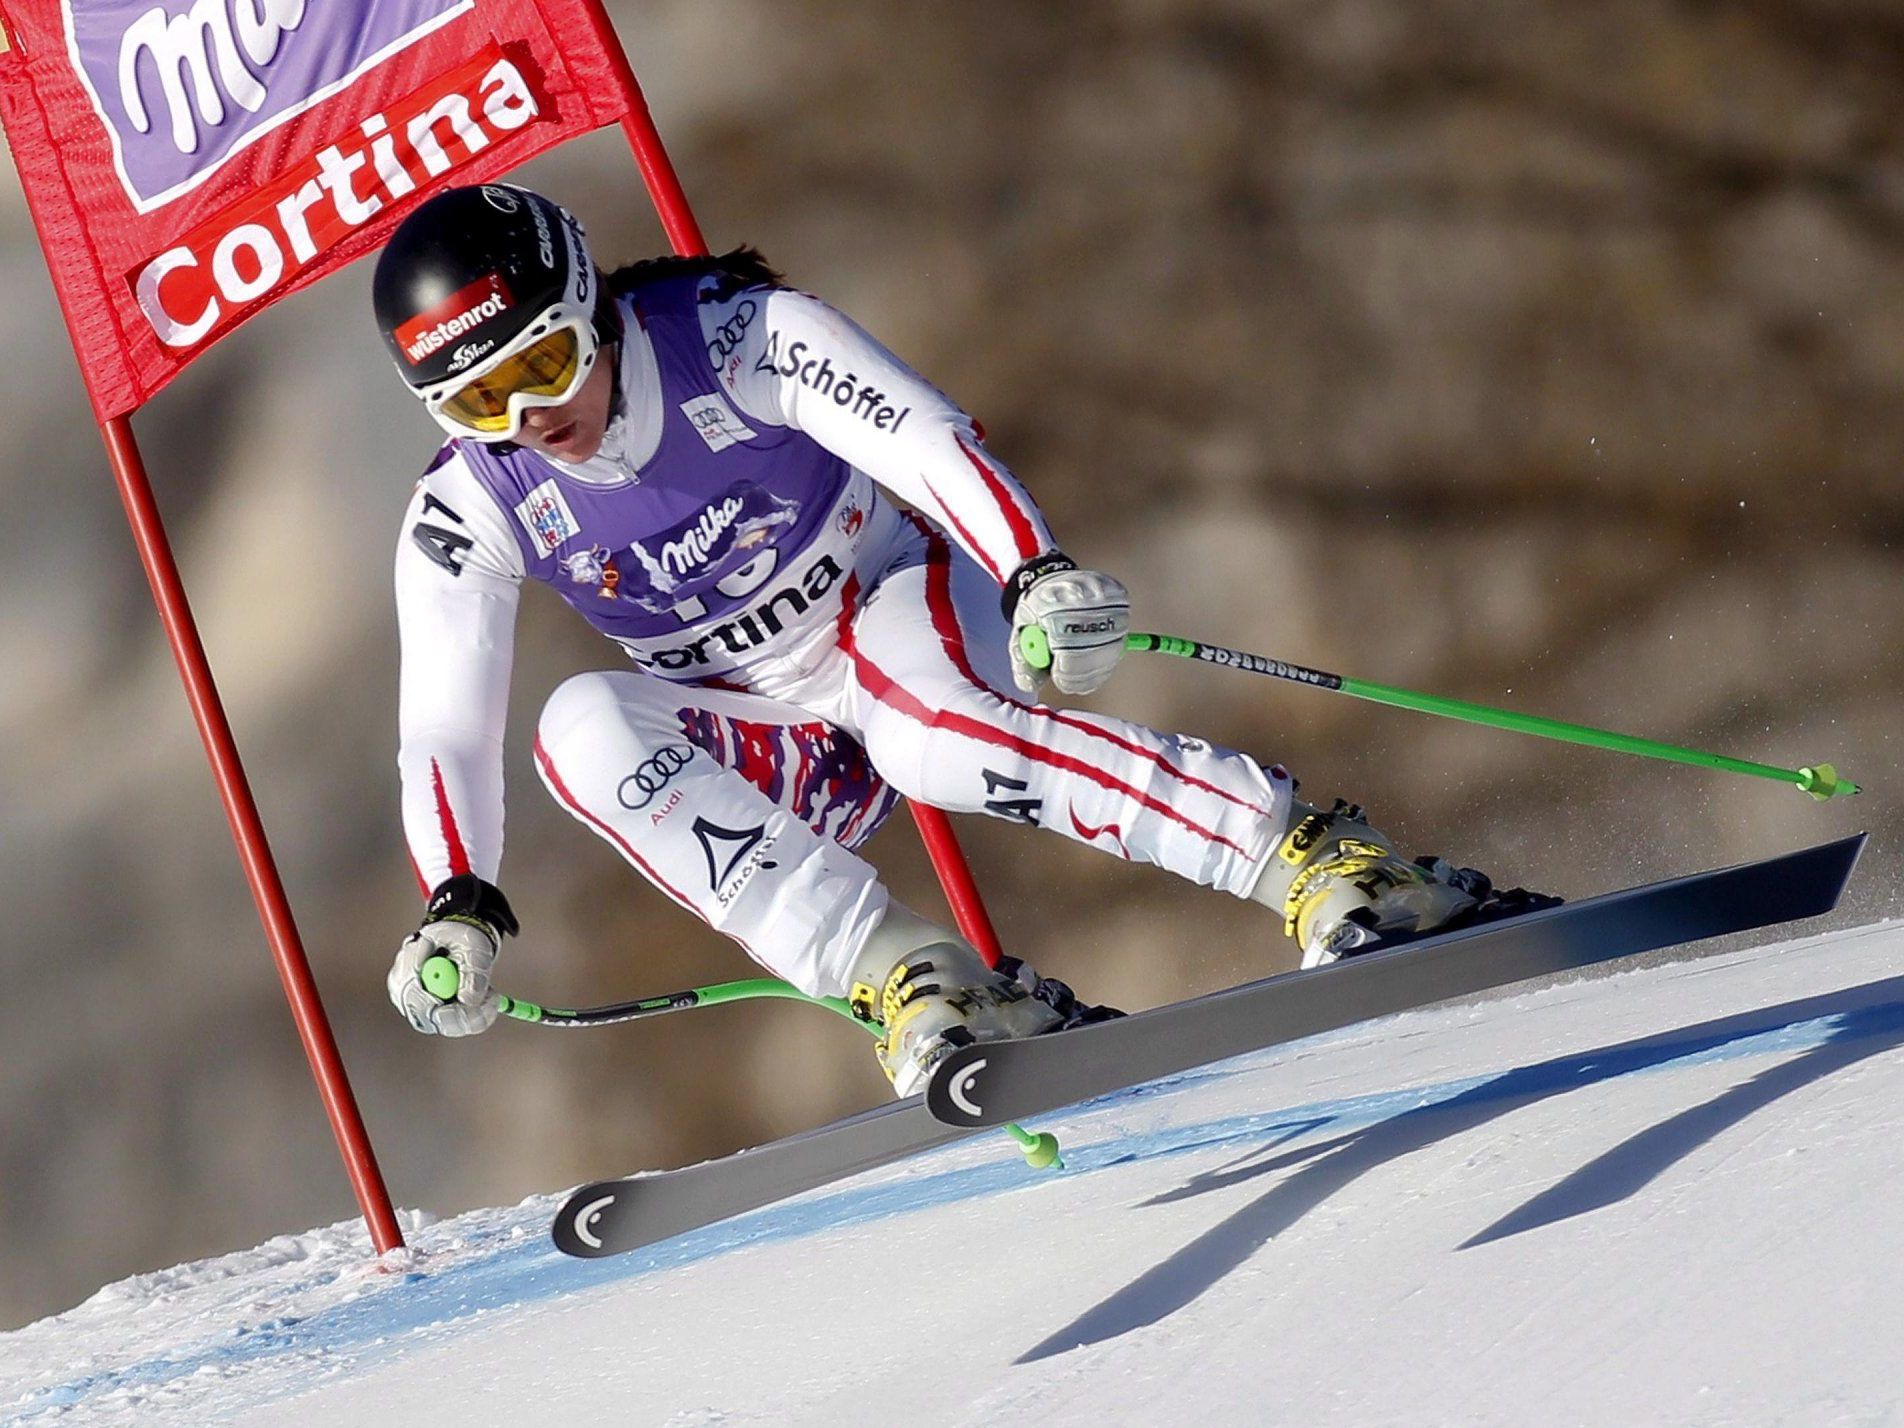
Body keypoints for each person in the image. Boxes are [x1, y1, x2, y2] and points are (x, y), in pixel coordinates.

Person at [377, 183, 1504, 1096]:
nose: (531, 420)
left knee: (927, 740)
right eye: (480, 404)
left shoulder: (733, 337)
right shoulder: (467, 505)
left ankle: (1312, 856)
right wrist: (456, 895)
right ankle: (917, 981)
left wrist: (1034, 569)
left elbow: (920, 434)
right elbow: (443, 717)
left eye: (543, 364)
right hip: (777, 731)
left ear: (591, 305)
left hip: (894, 600)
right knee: (577, 729)